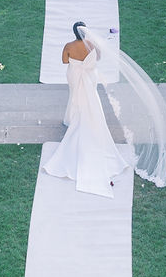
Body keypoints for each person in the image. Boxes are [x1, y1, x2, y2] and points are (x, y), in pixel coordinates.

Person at [43, 23, 134, 197]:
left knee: (75, 96)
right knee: (89, 96)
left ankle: (73, 118)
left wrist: (77, 62)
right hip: (90, 76)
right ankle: (81, 117)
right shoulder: (93, 45)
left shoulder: (69, 46)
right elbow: (98, 58)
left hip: (75, 75)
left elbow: (64, 60)